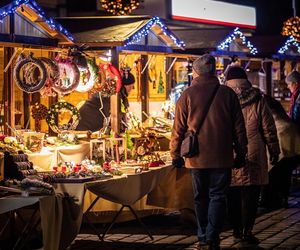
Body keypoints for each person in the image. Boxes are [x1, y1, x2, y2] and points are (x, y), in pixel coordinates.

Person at [170, 54, 248, 250]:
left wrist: (175, 155)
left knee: (200, 196)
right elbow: (239, 128)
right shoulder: (228, 94)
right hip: (222, 156)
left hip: (196, 157)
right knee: (218, 196)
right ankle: (212, 234)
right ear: (214, 71)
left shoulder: (187, 95)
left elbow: (177, 129)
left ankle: (203, 234)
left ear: (195, 72)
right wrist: (241, 152)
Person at [224, 66, 280, 245]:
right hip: (254, 150)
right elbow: (268, 127)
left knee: (232, 193)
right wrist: (274, 150)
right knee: (251, 194)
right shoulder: (257, 98)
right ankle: (247, 230)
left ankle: (236, 230)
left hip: (229, 151)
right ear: (245, 79)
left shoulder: (222, 97)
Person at [261, 95, 300, 208]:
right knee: (284, 173)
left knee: (274, 172)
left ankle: (272, 200)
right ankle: (283, 198)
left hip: (284, 142)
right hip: (294, 145)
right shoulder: (275, 106)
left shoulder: (265, 108)